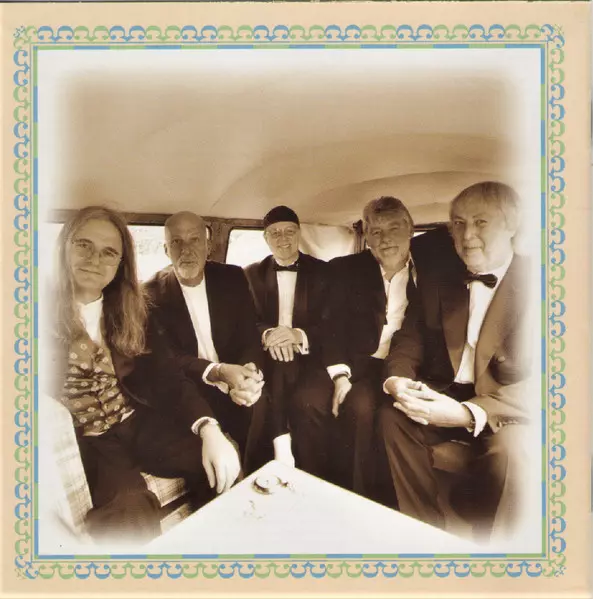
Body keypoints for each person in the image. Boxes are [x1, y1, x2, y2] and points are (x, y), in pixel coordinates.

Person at [46, 206, 240, 545]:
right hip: (87, 439)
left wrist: (209, 428)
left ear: (121, 263)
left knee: (221, 456)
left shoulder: (134, 310)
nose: (95, 259)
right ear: (64, 246)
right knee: (129, 509)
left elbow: (168, 376)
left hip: (135, 422)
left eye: (109, 252)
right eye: (83, 245)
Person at [380, 181, 532, 539]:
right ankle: (423, 533)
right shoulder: (439, 279)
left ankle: (495, 549)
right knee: (392, 417)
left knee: (513, 451)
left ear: (512, 225)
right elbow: (410, 338)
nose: (467, 236)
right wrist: (397, 380)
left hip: (505, 406)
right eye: (459, 224)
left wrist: (468, 414)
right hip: (445, 390)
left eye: (481, 222)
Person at [289, 196, 416, 498]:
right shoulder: (344, 270)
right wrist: (339, 376)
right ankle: (310, 491)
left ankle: (354, 497)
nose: (385, 239)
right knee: (306, 401)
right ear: (366, 237)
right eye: (376, 232)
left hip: (394, 365)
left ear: (411, 229)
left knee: (360, 408)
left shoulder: (430, 271)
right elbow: (330, 326)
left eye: (394, 228)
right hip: (346, 359)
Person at [144, 211, 267, 472]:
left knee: (260, 404)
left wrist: (248, 372)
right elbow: (168, 360)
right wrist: (218, 371)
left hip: (234, 380)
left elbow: (248, 336)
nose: (186, 250)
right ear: (166, 250)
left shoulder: (232, 277)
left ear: (208, 246)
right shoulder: (149, 294)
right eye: (176, 242)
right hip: (190, 387)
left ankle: (263, 479)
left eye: (194, 240)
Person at [244, 206, 328, 468]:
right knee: (278, 363)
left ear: (299, 233)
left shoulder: (324, 272)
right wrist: (269, 334)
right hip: (268, 354)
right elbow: (245, 320)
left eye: (289, 232)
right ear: (265, 238)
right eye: (275, 233)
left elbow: (332, 323)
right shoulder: (250, 274)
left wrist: (297, 335)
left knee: (298, 386)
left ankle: (285, 448)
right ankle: (275, 452)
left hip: (311, 355)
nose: (283, 239)